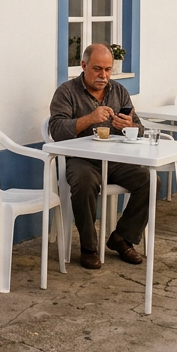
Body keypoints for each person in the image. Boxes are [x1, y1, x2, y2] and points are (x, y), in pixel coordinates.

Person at [48, 43, 151, 269]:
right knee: (84, 183)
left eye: (107, 69)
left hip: (114, 160)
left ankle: (122, 238)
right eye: (97, 69)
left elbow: (140, 129)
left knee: (150, 180)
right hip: (80, 161)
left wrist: (129, 125)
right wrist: (89, 119)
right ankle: (88, 247)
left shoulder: (119, 91)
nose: (103, 75)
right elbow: (56, 130)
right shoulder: (66, 92)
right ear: (83, 66)